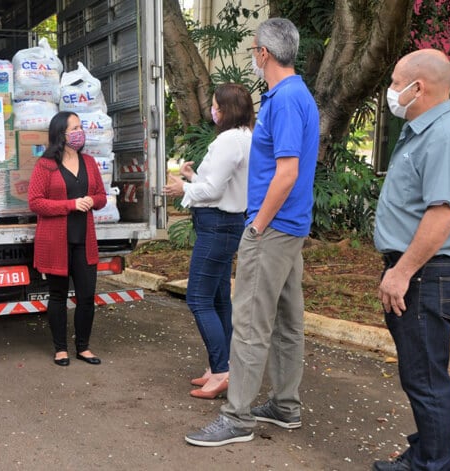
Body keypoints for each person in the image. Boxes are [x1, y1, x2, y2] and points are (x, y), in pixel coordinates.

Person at [185, 17, 319, 446]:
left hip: (273, 228)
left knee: (249, 324)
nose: (254, 57)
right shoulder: (298, 96)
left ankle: (237, 417)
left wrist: (258, 225)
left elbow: (287, 172)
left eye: (254, 50)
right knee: (285, 321)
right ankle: (284, 406)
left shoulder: (283, 100)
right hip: (291, 227)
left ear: (264, 53)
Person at [371, 49, 450, 471]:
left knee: (427, 379)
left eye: (397, 82)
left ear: (420, 87)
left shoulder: (446, 137)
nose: (392, 90)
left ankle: (432, 466)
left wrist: (401, 272)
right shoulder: (424, 131)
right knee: (420, 374)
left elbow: (443, 214)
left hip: (425, 273)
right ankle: (425, 456)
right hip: (419, 271)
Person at [163, 83, 254, 399]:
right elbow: (221, 185)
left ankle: (221, 370)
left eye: (215, 105)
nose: (212, 110)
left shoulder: (230, 140)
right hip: (226, 224)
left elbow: (214, 193)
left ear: (225, 109)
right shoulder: (244, 138)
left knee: (198, 298)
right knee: (218, 299)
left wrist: (182, 190)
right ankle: (224, 365)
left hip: (218, 226)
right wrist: (191, 178)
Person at [28, 111, 107, 366]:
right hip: (56, 242)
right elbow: (36, 202)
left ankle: (83, 347)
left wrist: (91, 201)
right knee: (58, 295)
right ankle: (60, 348)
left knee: (86, 295)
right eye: (75, 127)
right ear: (61, 133)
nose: (79, 131)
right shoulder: (45, 165)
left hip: (85, 240)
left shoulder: (89, 162)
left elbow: (102, 197)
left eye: (81, 127)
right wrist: (71, 204)